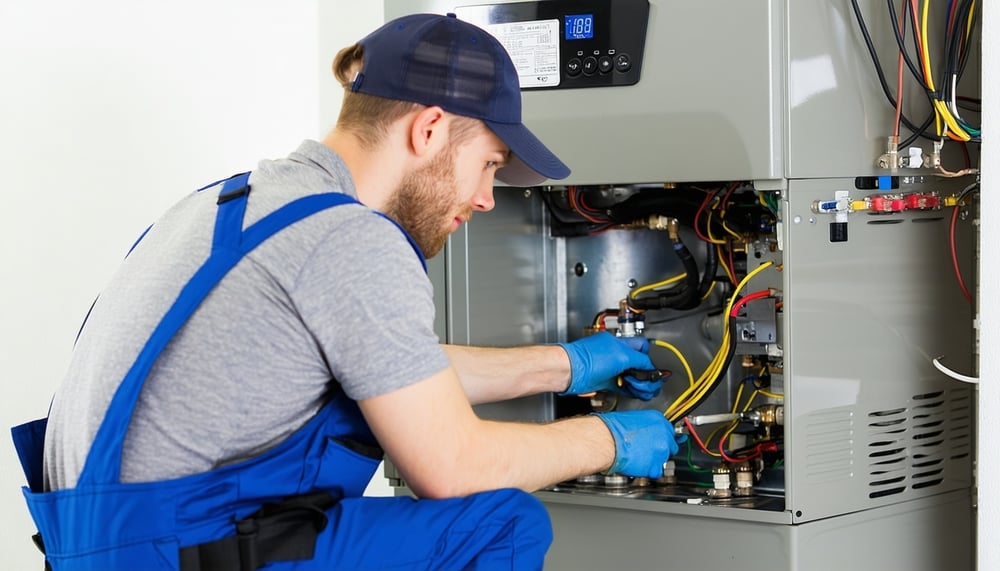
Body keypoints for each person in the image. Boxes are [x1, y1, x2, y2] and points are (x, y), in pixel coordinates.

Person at [12, 12, 681, 570]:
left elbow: (391, 367)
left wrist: (570, 364)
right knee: (502, 524)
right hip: (176, 550)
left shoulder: (234, 203)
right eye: (489, 165)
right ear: (428, 129)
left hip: (108, 545)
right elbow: (450, 464)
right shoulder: (350, 239)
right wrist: (611, 438)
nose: (483, 199)